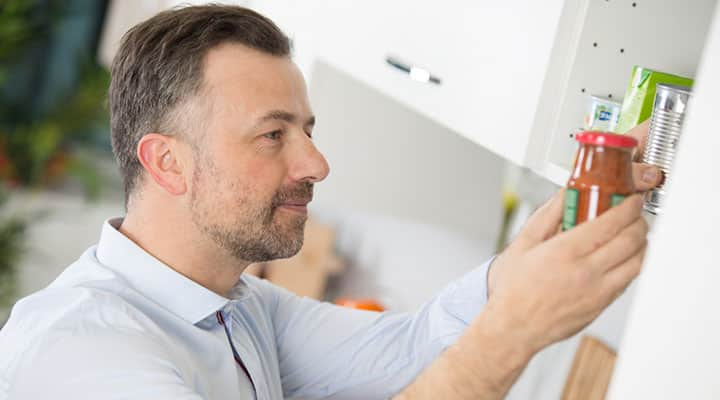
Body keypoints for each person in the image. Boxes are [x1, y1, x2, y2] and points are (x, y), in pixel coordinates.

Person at [0, 5, 662, 399]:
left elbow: (418, 342)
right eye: (273, 136)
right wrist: (512, 334)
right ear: (167, 162)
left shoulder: (235, 307)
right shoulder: (90, 352)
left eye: (307, 131)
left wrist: (546, 239)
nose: (314, 163)